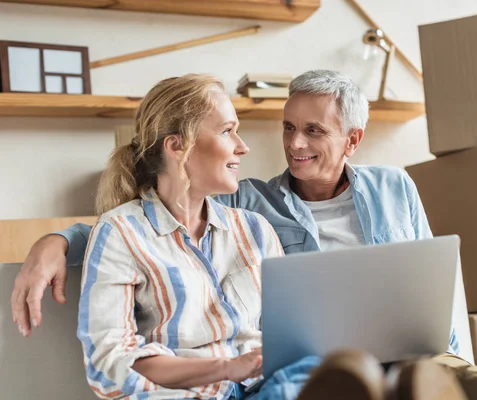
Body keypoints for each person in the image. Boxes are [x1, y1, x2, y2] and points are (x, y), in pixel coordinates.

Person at [10, 70, 477, 400]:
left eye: (313, 131)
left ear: (352, 140)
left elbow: (438, 281)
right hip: (289, 372)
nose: (290, 144)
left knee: (451, 376)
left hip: (382, 351)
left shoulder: (383, 190)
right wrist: (58, 242)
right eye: (285, 127)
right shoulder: (252, 202)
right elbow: (144, 220)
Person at [73, 73, 380, 400]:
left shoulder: (254, 229)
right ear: (178, 146)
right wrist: (226, 368)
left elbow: (289, 338)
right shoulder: (120, 232)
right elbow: (110, 365)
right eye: (227, 131)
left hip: (268, 387)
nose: (242, 146)